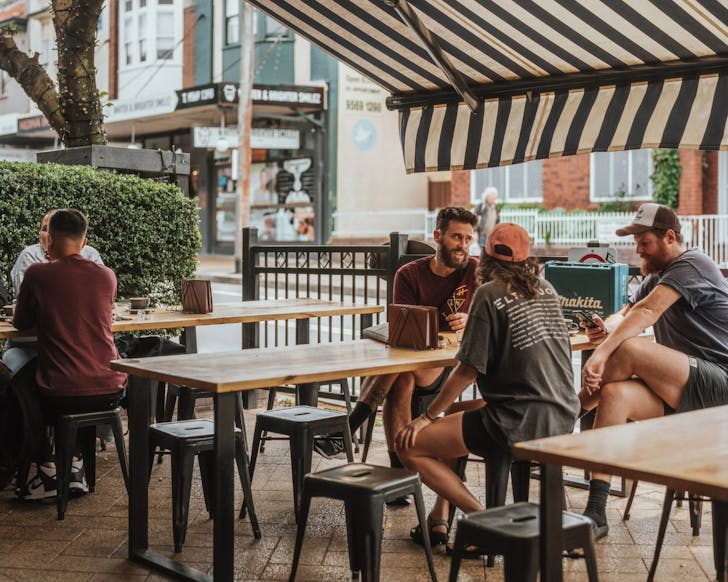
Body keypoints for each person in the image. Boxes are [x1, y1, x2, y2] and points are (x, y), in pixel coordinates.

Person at [395, 223, 579, 547]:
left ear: (488, 256)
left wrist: (426, 417)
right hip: (561, 414)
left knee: (408, 444)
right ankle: (441, 515)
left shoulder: (489, 292)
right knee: (455, 410)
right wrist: (441, 412)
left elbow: (467, 371)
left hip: (514, 421)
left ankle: (485, 521)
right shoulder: (546, 289)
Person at [578, 203, 728, 540]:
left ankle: (568, 411)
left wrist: (600, 354)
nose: (637, 249)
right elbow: (627, 313)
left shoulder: (694, 263)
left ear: (670, 237)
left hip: (721, 384)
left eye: (643, 242)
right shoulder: (656, 276)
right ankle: (596, 510)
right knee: (615, 395)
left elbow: (648, 311)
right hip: (686, 388)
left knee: (628, 350)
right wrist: (605, 326)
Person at [314, 208, 480, 475]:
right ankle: (401, 473)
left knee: (398, 368)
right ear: (438, 236)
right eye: (456, 237)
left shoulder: (475, 270)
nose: (463, 246)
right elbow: (405, 330)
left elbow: (498, 311)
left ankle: (348, 427)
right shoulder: (409, 274)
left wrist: (471, 319)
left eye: (468, 239)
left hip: (447, 364)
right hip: (413, 360)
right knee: (401, 380)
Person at [12, 209, 127, 500]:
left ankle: (45, 466)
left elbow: (22, 324)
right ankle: (72, 462)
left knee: (17, 385)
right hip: (111, 388)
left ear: (48, 239)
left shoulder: (38, 273)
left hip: (61, 391)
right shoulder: (106, 275)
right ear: (84, 241)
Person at [3, 209, 104, 374]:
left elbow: (28, 317)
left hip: (72, 349)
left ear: (51, 238)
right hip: (29, 343)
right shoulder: (30, 256)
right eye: (44, 228)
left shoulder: (36, 272)